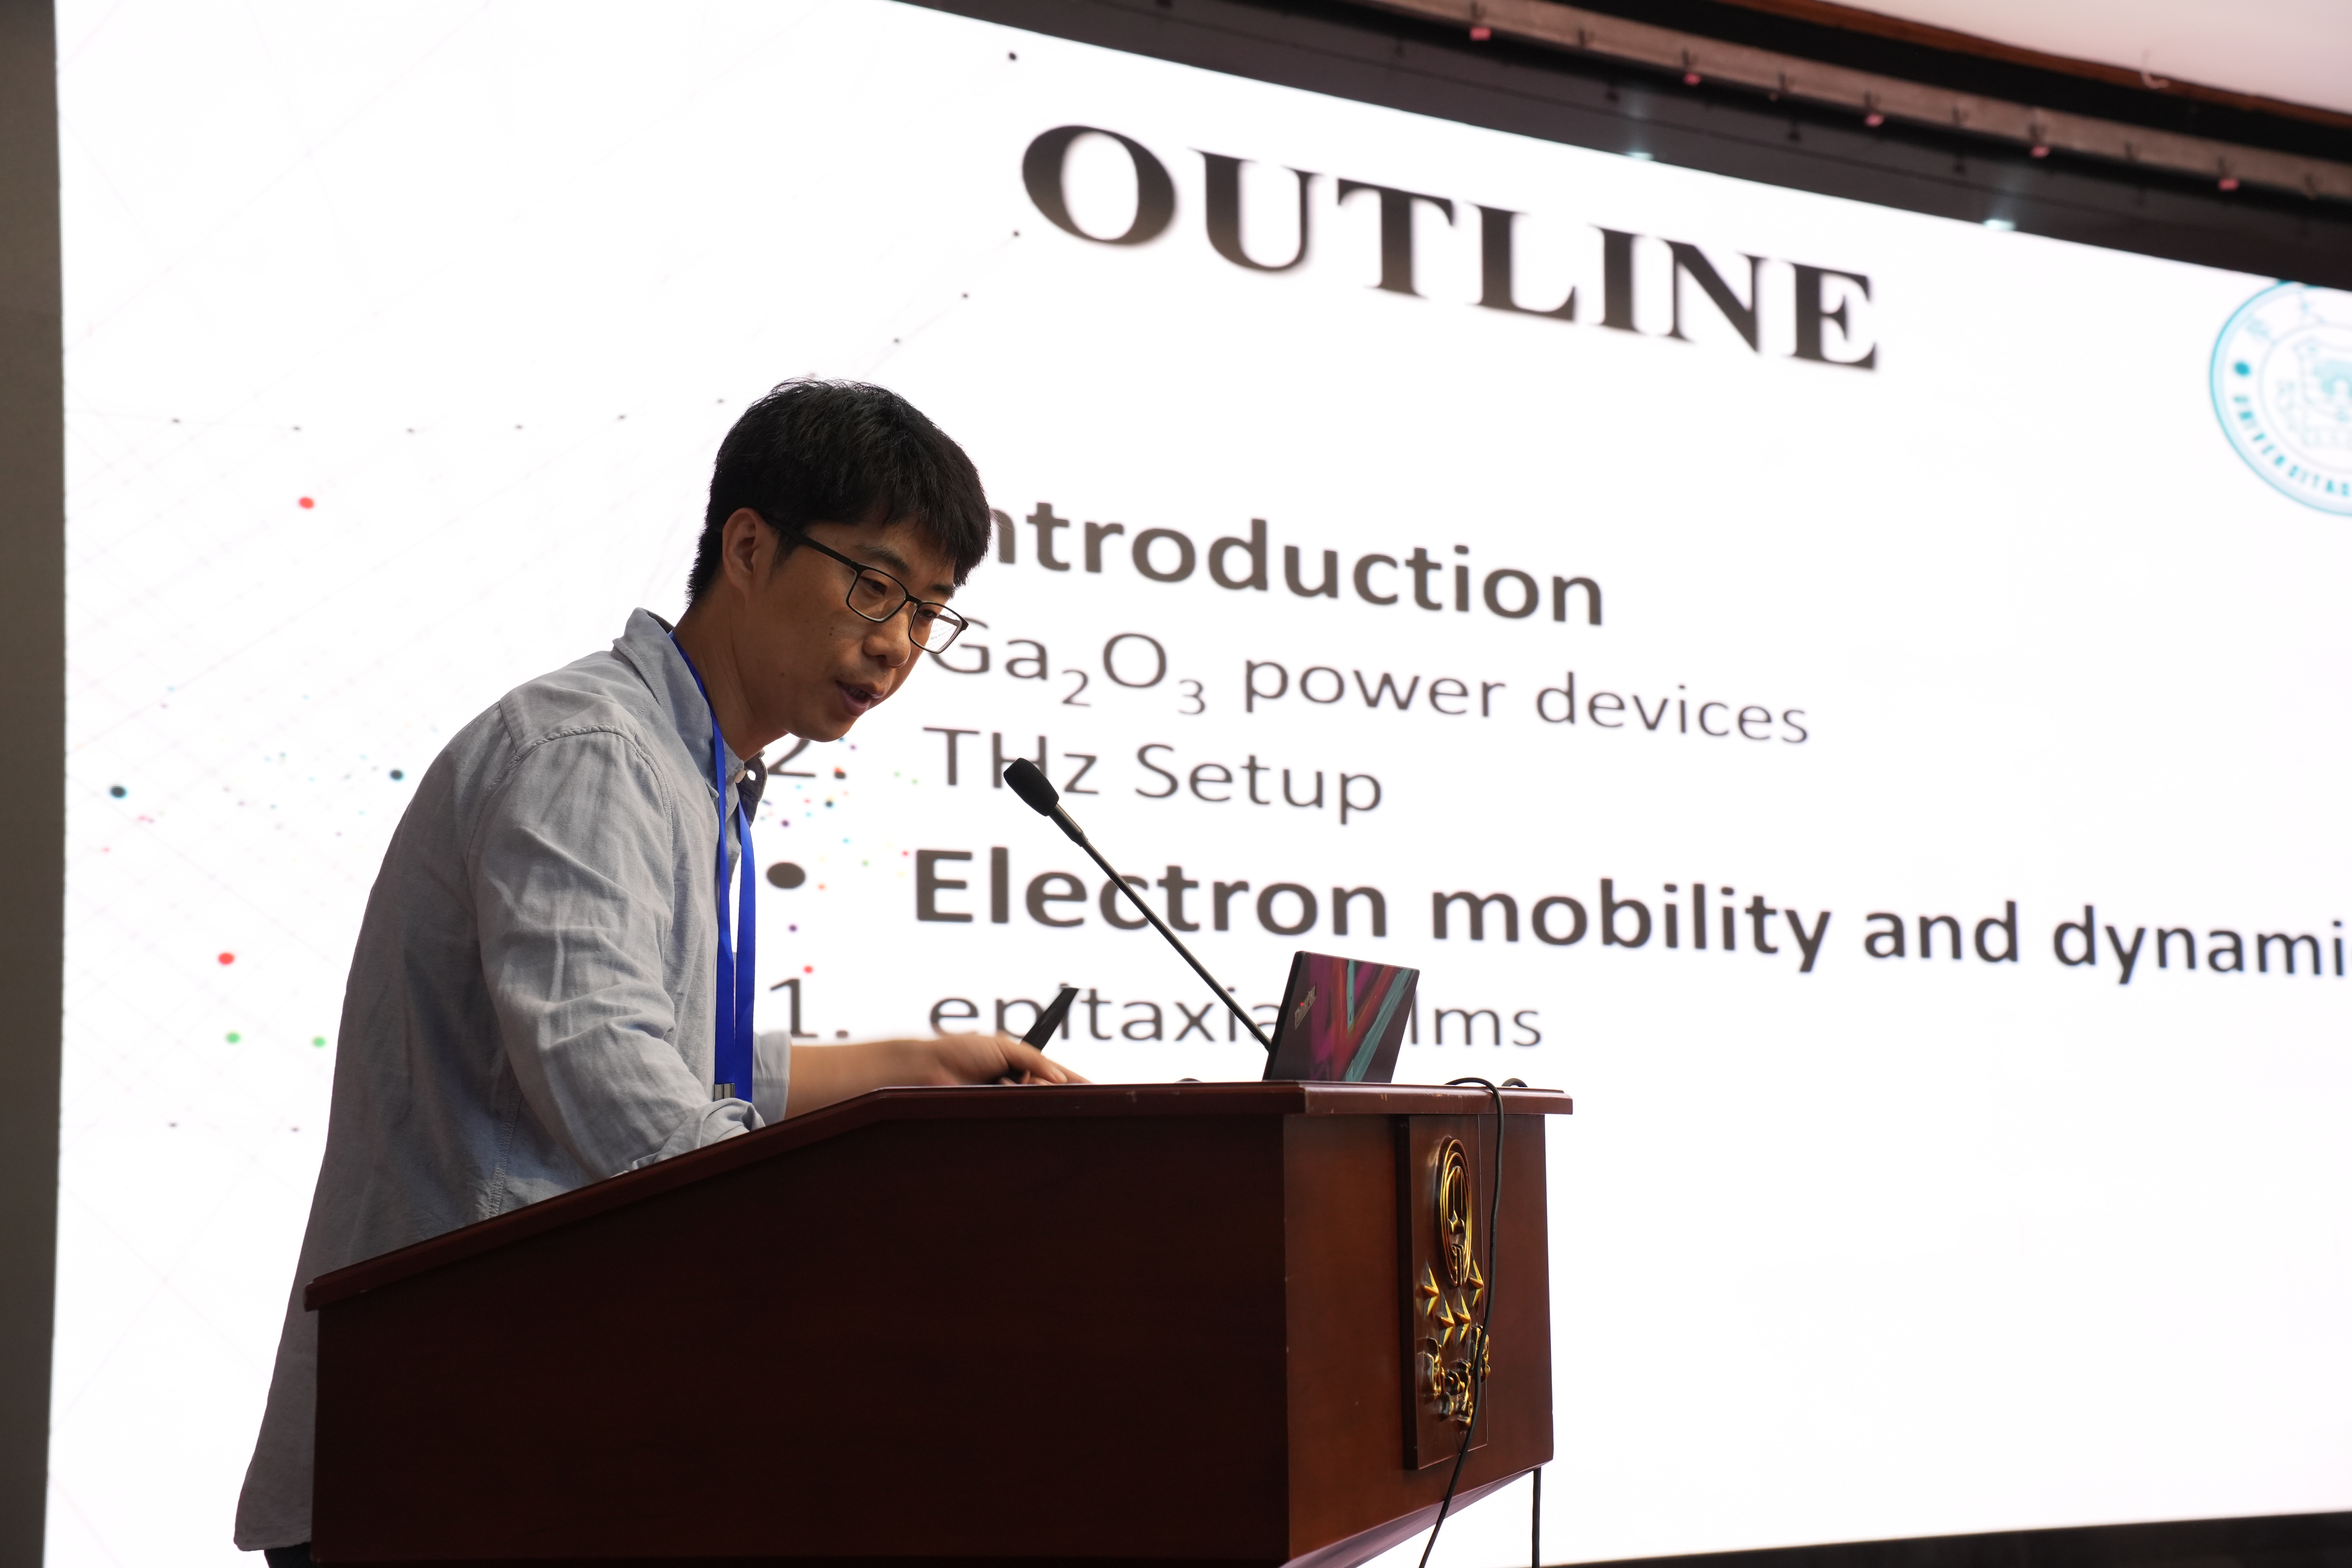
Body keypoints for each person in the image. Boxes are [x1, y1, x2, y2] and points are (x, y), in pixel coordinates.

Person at [234, 380, 1073, 1563]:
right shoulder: (593, 751)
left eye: (931, 611)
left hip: (521, 1431)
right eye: (875, 586)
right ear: (749, 547)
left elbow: (655, 1059)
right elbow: (615, 1089)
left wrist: (917, 1072)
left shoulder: (692, 770)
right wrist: (875, 1246)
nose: (897, 643)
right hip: (447, 1444)